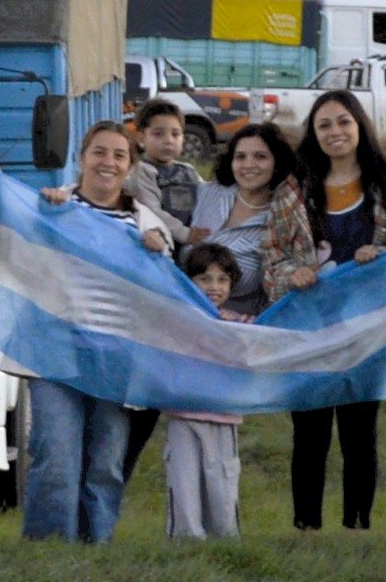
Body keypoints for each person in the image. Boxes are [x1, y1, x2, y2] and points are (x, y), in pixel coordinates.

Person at [31, 119, 178, 542]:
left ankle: (96, 549)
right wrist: (45, 211)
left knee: (106, 463)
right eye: (99, 152)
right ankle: (49, 553)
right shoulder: (53, 208)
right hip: (56, 355)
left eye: (119, 155)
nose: (107, 162)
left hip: (116, 360)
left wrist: (158, 253)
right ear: (81, 158)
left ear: (130, 166)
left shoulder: (145, 224)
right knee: (56, 458)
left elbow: (164, 297)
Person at [283, 89, 386, 531]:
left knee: (359, 435)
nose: (335, 132)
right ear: (313, 134)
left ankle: (358, 526)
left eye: (343, 122)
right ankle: (306, 527)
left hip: (367, 332)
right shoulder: (295, 188)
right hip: (309, 330)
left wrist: (382, 255)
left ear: (360, 126)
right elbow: (274, 252)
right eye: (324, 125)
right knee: (310, 433)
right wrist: (291, 273)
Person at [109, 100, 210, 486]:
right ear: (141, 135)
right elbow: (150, 213)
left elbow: (207, 205)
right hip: (161, 263)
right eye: (158, 133)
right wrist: (188, 234)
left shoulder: (188, 174)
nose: (168, 142)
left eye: (175, 134)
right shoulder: (141, 174)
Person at [163, 242, 255, 539]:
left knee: (222, 485)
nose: (213, 286)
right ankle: (186, 545)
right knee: (184, 483)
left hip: (223, 417)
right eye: (204, 278)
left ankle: (225, 545)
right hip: (183, 416)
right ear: (188, 281)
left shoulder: (240, 325)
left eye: (222, 279)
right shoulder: (176, 320)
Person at [189, 121, 315, 312]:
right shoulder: (208, 193)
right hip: (182, 315)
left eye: (260, 156)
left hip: (241, 329)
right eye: (240, 157)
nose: (248, 165)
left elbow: (286, 278)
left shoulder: (282, 219)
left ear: (277, 163)